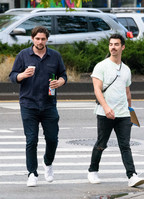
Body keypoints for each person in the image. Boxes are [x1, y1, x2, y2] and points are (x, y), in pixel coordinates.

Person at [9, 26, 67, 187]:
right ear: (32, 39)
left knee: (52, 139)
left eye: (43, 39)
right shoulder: (23, 55)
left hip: (49, 104)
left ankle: (48, 163)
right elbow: (13, 76)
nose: (40, 42)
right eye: (37, 39)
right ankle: (32, 173)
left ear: (47, 39)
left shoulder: (54, 56)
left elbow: (63, 75)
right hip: (28, 103)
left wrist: (59, 82)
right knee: (31, 140)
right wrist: (22, 75)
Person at [87, 34, 144, 187]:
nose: (113, 47)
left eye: (117, 44)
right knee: (101, 143)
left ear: (122, 47)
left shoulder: (126, 69)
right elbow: (97, 90)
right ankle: (92, 170)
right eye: (111, 44)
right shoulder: (101, 66)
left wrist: (131, 114)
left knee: (125, 145)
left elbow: (127, 93)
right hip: (104, 113)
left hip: (123, 114)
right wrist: (106, 107)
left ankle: (132, 175)